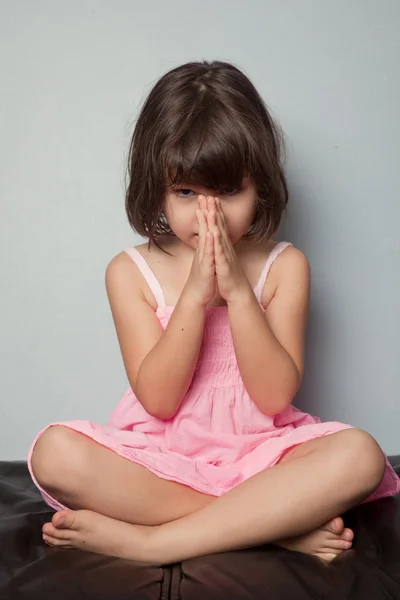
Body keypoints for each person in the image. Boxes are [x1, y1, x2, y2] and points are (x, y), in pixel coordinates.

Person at [28, 60, 400, 565]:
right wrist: (195, 296)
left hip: (260, 458)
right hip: (161, 463)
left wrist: (239, 293)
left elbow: (273, 398)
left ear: (260, 185)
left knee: (362, 456)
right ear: (155, 187)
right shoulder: (130, 270)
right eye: (186, 192)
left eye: (228, 191)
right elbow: (158, 401)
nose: (211, 214)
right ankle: (270, 525)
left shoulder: (284, 266)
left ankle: (157, 541)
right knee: (54, 453)